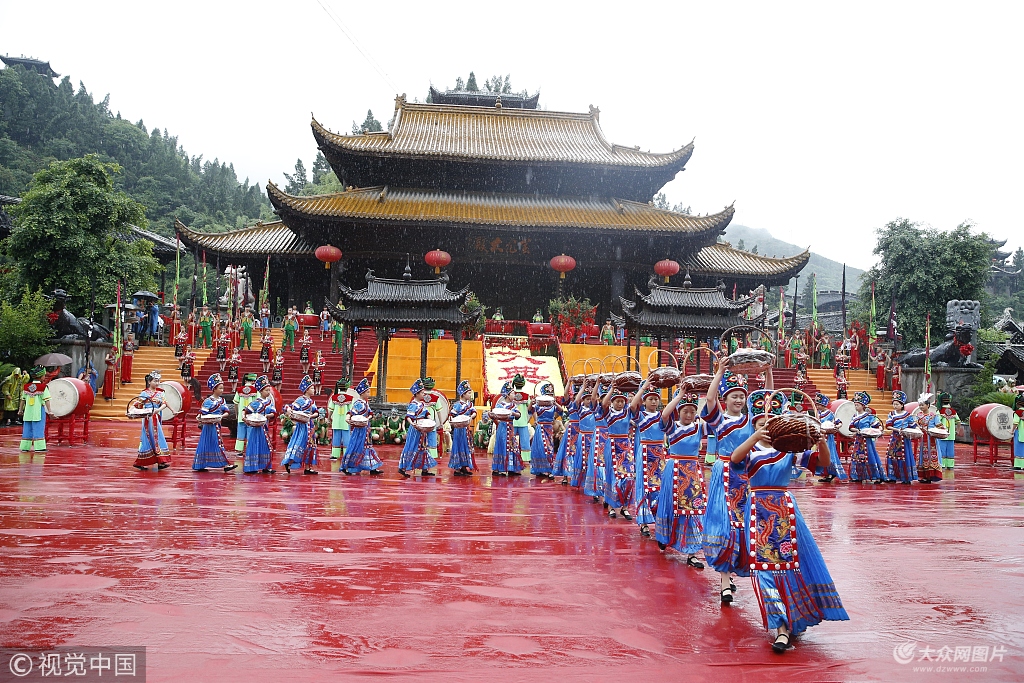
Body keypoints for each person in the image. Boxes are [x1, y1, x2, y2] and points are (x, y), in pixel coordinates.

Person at [730, 408, 849, 653]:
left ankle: (793, 617)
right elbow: (734, 459)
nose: (766, 429)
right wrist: (753, 437)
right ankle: (781, 628)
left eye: (770, 425)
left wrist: (821, 443)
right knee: (763, 567)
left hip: (784, 510)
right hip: (757, 512)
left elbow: (823, 464)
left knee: (791, 565)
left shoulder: (790, 451)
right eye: (761, 425)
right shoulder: (750, 450)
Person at [702, 362, 773, 604]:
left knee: (745, 526)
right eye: (734, 396)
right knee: (726, 525)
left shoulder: (752, 420)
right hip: (725, 475)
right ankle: (724, 581)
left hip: (747, 475)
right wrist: (720, 371)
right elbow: (710, 399)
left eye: (742, 396)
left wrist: (768, 373)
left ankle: (736, 570)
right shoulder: (720, 421)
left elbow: (767, 399)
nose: (739, 400)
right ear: (726, 399)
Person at [655, 386, 706, 568]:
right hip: (673, 469)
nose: (689, 414)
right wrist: (679, 396)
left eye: (693, 411)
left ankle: (692, 552)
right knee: (669, 506)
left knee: (693, 510)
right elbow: (664, 416)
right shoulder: (672, 427)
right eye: (685, 411)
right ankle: (665, 537)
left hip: (692, 472)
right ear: (679, 411)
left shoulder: (700, 427)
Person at [629, 378, 666, 539]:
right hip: (645, 453)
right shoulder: (641, 416)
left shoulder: (662, 416)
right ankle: (644, 522)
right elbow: (631, 406)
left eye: (656, 399)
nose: (653, 401)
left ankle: (659, 518)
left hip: (659, 453)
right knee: (644, 486)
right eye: (650, 399)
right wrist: (643, 388)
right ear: (644, 401)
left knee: (660, 486)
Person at [600, 385, 634, 520]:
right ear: (612, 402)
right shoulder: (608, 413)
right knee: (612, 477)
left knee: (628, 477)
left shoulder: (628, 412)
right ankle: (611, 507)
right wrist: (611, 390)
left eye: (622, 401)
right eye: (617, 401)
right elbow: (603, 403)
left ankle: (625, 507)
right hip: (612, 445)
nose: (620, 403)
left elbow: (636, 403)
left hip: (625, 446)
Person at [192, 374, 238, 472]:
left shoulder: (222, 400)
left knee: (217, 443)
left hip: (217, 424)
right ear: (214, 389)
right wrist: (199, 417)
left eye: (222, 388)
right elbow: (202, 413)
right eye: (220, 388)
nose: (222, 390)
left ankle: (223, 464)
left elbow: (226, 412)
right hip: (209, 426)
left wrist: (221, 416)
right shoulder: (208, 401)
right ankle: (205, 464)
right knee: (211, 443)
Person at [342, 378, 383, 475]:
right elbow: (352, 413)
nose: (369, 394)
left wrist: (368, 418)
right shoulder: (358, 404)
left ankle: (372, 468)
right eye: (367, 392)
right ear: (362, 393)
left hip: (365, 429)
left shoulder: (365, 403)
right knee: (357, 447)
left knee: (367, 447)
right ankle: (349, 466)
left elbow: (370, 413)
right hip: (360, 430)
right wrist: (349, 418)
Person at [280, 375, 319, 475]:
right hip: (302, 426)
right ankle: (289, 462)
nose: (313, 390)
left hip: (310, 426)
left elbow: (316, 413)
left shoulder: (312, 402)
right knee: (300, 445)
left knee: (310, 446)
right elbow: (290, 408)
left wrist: (311, 416)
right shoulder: (300, 400)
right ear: (306, 390)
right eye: (311, 388)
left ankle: (307, 468)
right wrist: (289, 411)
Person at [133, 371, 170, 470]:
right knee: (148, 437)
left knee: (158, 437)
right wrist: (143, 402)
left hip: (156, 417)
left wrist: (158, 409)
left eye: (158, 381)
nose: (157, 383)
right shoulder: (144, 393)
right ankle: (143, 461)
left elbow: (165, 403)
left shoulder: (160, 393)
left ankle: (161, 460)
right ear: (149, 382)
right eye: (155, 381)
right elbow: (137, 405)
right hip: (148, 418)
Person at [399, 379, 437, 477]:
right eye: (422, 393)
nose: (424, 394)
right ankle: (403, 468)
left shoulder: (422, 404)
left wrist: (430, 420)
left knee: (423, 447)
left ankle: (425, 470)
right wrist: (413, 424)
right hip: (415, 429)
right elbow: (409, 417)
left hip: (422, 428)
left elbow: (427, 414)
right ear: (416, 394)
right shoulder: (413, 405)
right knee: (412, 447)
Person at [848, 391, 886, 483]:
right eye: (855, 405)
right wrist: (857, 431)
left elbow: (877, 425)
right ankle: (857, 476)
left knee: (869, 456)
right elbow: (851, 427)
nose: (856, 407)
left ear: (863, 406)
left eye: (858, 405)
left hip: (867, 440)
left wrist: (879, 430)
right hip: (858, 439)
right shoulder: (854, 416)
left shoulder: (869, 416)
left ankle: (874, 475)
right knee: (857, 456)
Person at [242, 375, 277, 474]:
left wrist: (267, 415)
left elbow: (274, 413)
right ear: (261, 391)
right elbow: (246, 411)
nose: (268, 392)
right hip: (256, 428)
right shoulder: (256, 403)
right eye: (266, 390)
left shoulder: (270, 402)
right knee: (255, 445)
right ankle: (252, 467)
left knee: (266, 446)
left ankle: (266, 466)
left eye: (269, 390)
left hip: (264, 428)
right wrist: (246, 418)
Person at [489, 382, 524, 477]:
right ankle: (501, 468)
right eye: (512, 393)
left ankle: (511, 467)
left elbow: (518, 415)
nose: (514, 394)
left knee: (512, 446)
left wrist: (513, 413)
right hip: (502, 427)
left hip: (510, 428)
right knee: (502, 445)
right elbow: (495, 415)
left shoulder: (513, 406)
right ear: (508, 395)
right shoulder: (500, 405)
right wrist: (492, 416)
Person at [884, 391, 917, 484]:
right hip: (895, 437)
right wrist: (896, 429)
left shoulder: (907, 415)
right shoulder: (891, 414)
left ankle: (906, 478)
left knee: (904, 456)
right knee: (892, 455)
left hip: (904, 439)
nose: (895, 406)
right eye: (894, 404)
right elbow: (888, 425)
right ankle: (892, 477)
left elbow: (913, 425)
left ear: (902, 405)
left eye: (897, 404)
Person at [552, 379, 581, 486]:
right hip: (571, 431)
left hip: (581, 432)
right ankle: (565, 475)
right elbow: (565, 394)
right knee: (567, 453)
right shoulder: (571, 405)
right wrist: (569, 382)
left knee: (579, 453)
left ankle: (577, 476)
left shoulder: (586, 407)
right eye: (577, 395)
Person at [814, 393, 848, 482]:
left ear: (823, 404)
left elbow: (838, 422)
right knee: (820, 455)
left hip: (828, 437)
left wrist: (836, 427)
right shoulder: (818, 414)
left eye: (818, 405)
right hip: (821, 437)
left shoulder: (829, 414)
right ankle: (825, 473)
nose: (817, 406)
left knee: (829, 454)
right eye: (816, 405)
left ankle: (831, 473)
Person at [18, 367, 51, 453]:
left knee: (27, 429)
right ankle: (39, 448)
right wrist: (50, 411)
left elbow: (23, 400)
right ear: (41, 377)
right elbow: (46, 399)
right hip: (38, 411)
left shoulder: (26, 387)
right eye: (44, 375)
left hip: (28, 411)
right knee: (39, 428)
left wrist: (20, 410)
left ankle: (25, 447)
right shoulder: (43, 387)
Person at [448, 380, 477, 476]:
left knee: (466, 447)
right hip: (459, 430)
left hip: (466, 429)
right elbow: (452, 415)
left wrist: (470, 417)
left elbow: (474, 412)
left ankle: (464, 466)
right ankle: (457, 468)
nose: (470, 395)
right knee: (459, 446)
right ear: (463, 394)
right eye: (469, 393)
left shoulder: (470, 404)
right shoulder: (457, 405)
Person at [913, 393, 942, 482]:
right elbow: (915, 425)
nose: (921, 407)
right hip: (921, 438)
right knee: (921, 456)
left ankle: (931, 476)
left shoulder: (933, 415)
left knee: (930, 456)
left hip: (931, 439)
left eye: (923, 405)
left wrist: (936, 431)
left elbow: (939, 426)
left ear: (928, 405)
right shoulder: (918, 415)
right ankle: (924, 476)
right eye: (920, 405)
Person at [508, 375, 531, 465]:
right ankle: (526, 458)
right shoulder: (526, 396)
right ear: (523, 384)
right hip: (523, 422)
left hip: (512, 421)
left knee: (511, 441)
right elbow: (530, 409)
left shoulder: (511, 395)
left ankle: (511, 457)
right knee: (525, 441)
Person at [327, 378, 352, 462]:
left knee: (336, 438)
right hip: (345, 422)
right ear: (347, 388)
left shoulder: (334, 397)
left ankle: (335, 455)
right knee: (346, 439)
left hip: (336, 421)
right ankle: (346, 455)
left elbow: (330, 409)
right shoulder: (350, 398)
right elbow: (351, 410)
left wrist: (329, 418)